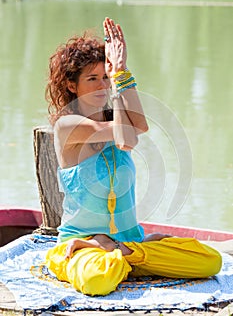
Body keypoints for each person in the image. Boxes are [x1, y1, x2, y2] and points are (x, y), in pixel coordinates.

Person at [45, 17, 222, 296]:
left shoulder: (115, 116)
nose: (103, 85)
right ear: (71, 85)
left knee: (211, 261)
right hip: (78, 246)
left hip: (125, 242)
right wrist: (116, 90)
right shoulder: (68, 126)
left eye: (105, 77)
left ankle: (120, 250)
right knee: (97, 279)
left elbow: (139, 126)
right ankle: (120, 253)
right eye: (93, 79)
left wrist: (121, 73)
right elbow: (125, 137)